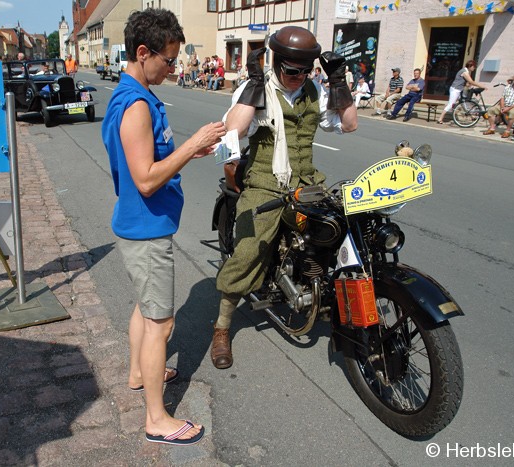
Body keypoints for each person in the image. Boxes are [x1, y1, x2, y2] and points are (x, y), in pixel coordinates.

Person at [101, 8, 225, 446]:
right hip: (146, 229)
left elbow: (149, 163)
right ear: (142, 52)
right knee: (161, 324)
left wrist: (188, 154)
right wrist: (191, 144)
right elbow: (147, 179)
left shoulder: (131, 94)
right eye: (168, 60)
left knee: (143, 305)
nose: (173, 68)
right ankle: (157, 418)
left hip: (140, 225)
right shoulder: (136, 105)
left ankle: (139, 373)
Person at [210, 26, 357, 370]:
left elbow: (349, 125)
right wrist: (256, 86)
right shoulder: (257, 87)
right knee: (249, 249)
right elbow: (232, 131)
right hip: (265, 180)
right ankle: (221, 326)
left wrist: (339, 84)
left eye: (306, 70)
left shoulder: (314, 90)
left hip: (307, 180)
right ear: (277, 64)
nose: (298, 77)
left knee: (342, 226)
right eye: (292, 71)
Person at [437, 60, 486, 124]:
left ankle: (471, 116)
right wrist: (482, 86)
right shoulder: (464, 72)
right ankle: (440, 119)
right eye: (474, 67)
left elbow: (468, 83)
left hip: (459, 90)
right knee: (451, 104)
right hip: (455, 89)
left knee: (463, 102)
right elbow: (471, 81)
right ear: (470, 66)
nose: (474, 68)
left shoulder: (466, 71)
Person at [482, 72, 514, 138]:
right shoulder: (508, 86)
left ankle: (507, 131)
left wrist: (509, 108)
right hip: (505, 105)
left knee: (512, 112)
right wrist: (502, 107)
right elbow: (502, 97)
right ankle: (492, 128)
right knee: (491, 110)